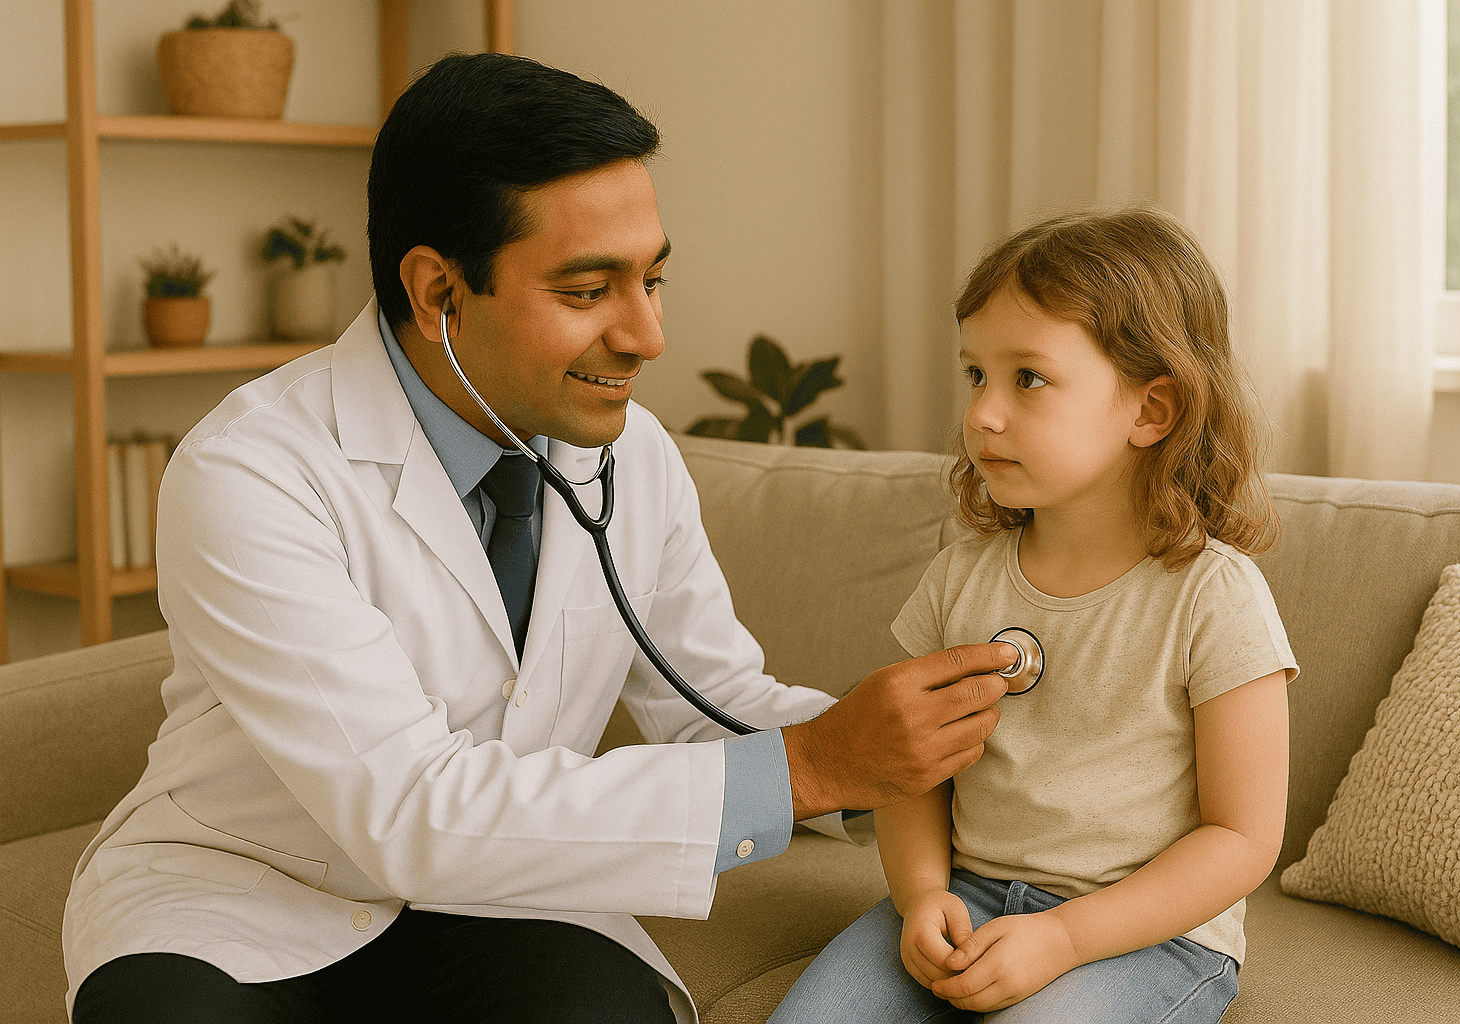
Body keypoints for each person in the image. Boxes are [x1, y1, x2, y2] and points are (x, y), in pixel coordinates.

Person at [61, 54, 1015, 1024]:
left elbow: (709, 700)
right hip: (246, 894)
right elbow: (404, 809)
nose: (648, 334)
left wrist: (914, 759)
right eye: (588, 289)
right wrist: (811, 762)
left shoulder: (628, 452)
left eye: (653, 279)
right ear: (438, 292)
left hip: (509, 898)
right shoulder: (252, 469)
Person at [767, 208, 1298, 1024]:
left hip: (1148, 935)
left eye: (1029, 378)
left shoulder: (1213, 597)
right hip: (969, 898)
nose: (982, 413)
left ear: (1150, 412)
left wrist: (1064, 938)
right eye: (976, 374)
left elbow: (1242, 839)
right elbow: (910, 770)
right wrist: (920, 897)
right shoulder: (959, 579)